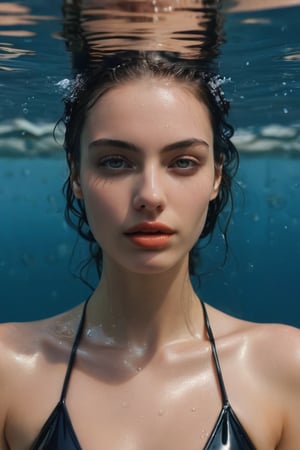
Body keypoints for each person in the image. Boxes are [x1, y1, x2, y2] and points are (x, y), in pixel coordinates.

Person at [0, 51, 300, 450]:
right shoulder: (8, 368)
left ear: (215, 176)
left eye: (183, 162)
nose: (150, 196)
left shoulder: (286, 366)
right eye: (115, 162)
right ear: (76, 174)